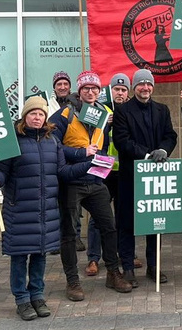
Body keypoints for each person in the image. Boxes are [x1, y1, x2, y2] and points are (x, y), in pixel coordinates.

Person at [0, 97, 92, 320]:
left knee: (40, 254)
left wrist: (89, 165)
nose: (37, 117)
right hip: (19, 210)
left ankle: (37, 295)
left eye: (41, 114)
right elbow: (1, 174)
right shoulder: (12, 142)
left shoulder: (52, 142)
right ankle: (22, 299)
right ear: (25, 116)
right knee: (19, 256)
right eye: (33, 113)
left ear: (45, 118)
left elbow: (62, 172)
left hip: (46, 211)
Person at [50, 71, 132, 301]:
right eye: (85, 88)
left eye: (94, 88)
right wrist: (79, 153)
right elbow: (53, 143)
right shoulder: (66, 112)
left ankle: (113, 273)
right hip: (72, 181)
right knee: (68, 234)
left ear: (99, 91)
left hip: (95, 180)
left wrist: (102, 159)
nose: (90, 91)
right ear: (80, 90)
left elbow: (102, 143)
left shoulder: (105, 112)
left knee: (109, 226)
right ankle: (72, 281)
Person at [113, 69, 177, 287]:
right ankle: (128, 268)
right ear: (134, 87)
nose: (145, 88)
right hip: (130, 177)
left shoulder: (162, 109)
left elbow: (171, 135)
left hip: (155, 178)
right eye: (141, 84)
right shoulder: (123, 111)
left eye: (148, 84)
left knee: (155, 223)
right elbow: (121, 140)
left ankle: (154, 266)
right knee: (127, 224)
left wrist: (163, 150)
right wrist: (147, 155)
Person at [85, 73, 141, 277]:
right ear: (111, 91)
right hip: (103, 171)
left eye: (123, 89)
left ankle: (126, 253)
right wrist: (104, 123)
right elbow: (89, 135)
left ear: (128, 92)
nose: (120, 92)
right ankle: (93, 258)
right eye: (116, 89)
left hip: (124, 171)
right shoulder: (101, 111)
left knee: (124, 214)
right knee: (97, 216)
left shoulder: (132, 112)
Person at [51, 70, 85, 252]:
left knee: (74, 202)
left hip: (72, 160)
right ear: (54, 88)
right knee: (56, 202)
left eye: (65, 84)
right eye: (59, 84)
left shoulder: (77, 104)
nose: (62, 87)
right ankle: (57, 240)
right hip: (52, 159)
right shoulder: (47, 104)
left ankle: (76, 237)